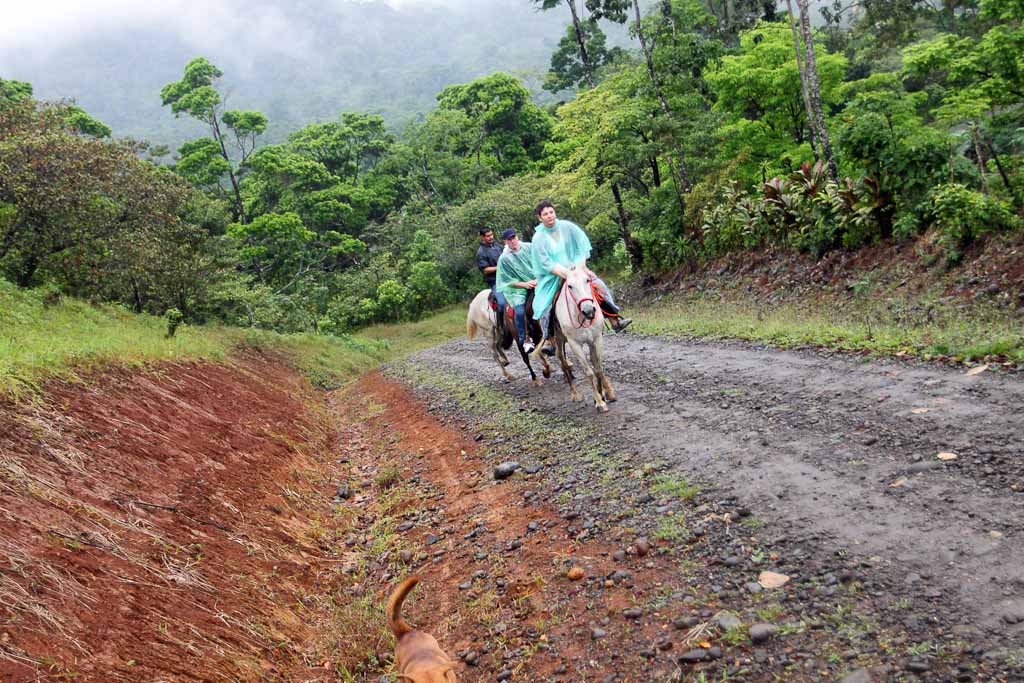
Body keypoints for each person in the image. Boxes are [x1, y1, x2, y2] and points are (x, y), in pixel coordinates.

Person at [530, 200, 631, 353]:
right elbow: (545, 262)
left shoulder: (567, 227)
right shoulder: (538, 238)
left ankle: (614, 319)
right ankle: (549, 338)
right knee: (545, 304)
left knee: (598, 285)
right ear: (540, 218)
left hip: (576, 268)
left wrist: (579, 267)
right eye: (545, 214)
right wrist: (566, 273)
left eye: (551, 212)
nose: (549, 216)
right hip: (554, 275)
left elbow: (581, 248)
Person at [495, 228, 537, 354]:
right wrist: (524, 284)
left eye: (513, 238)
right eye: (509, 239)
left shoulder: (529, 247)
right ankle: (525, 339)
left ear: (517, 237)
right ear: (505, 242)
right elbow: (506, 281)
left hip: (537, 281)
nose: (512, 241)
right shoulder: (504, 259)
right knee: (519, 311)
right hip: (517, 290)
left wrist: (537, 279)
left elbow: (541, 263)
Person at [475, 227, 505, 311]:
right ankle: (501, 323)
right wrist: (499, 267)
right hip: (495, 281)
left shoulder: (499, 246)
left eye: (491, 235)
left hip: (507, 277)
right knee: (502, 303)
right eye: (488, 236)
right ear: (482, 237)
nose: (491, 237)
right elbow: (485, 270)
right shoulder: (481, 252)